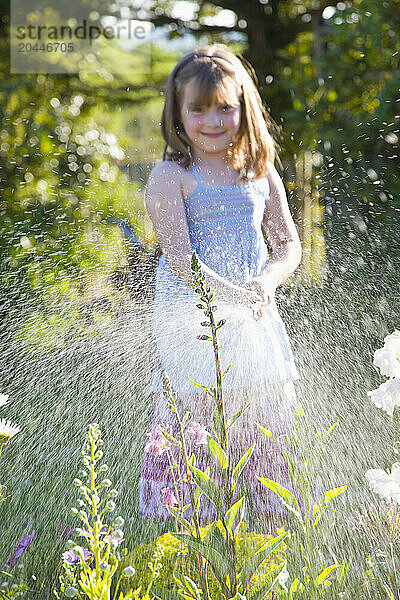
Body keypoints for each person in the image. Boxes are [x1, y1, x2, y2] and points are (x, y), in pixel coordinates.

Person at [138, 43, 302, 532]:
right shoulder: (171, 178)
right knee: (195, 440)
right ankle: (198, 547)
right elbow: (181, 260)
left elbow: (288, 244)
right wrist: (230, 294)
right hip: (194, 332)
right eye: (199, 109)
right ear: (179, 113)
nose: (213, 120)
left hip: (254, 326)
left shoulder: (259, 173)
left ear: (243, 109)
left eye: (225, 108)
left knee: (263, 436)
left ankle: (262, 551)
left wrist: (268, 280)